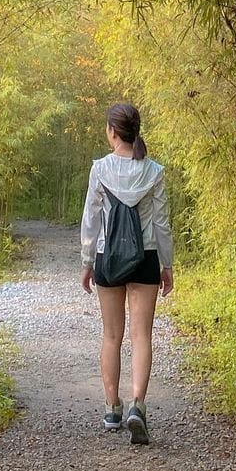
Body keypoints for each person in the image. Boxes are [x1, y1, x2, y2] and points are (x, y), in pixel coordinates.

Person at [80, 102, 173, 446]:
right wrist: (167, 264)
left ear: (113, 132)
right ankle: (138, 405)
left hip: (108, 257)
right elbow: (161, 222)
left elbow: (91, 219)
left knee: (111, 336)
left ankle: (111, 409)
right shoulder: (153, 171)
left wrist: (87, 261)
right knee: (141, 336)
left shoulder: (100, 169)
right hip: (145, 257)